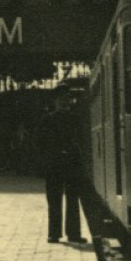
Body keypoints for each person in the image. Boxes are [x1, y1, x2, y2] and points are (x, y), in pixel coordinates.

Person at [35, 86, 85, 244]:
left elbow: (83, 140)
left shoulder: (75, 119)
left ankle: (73, 234)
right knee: (54, 200)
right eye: (61, 99)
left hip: (71, 162)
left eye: (66, 99)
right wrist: (45, 159)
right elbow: (38, 143)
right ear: (55, 101)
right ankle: (54, 234)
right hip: (54, 163)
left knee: (72, 199)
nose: (64, 102)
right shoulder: (46, 120)